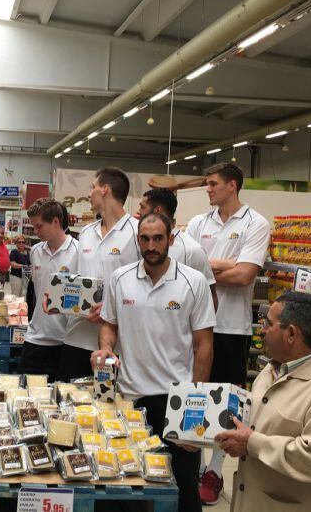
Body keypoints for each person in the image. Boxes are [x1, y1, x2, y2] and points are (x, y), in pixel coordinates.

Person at [92, 213, 215, 512]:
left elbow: (204, 345)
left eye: (158, 238)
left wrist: (195, 405)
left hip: (176, 401)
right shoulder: (120, 279)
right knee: (129, 484)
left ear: (171, 239)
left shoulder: (193, 281)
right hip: (130, 399)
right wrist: (106, 347)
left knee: (183, 487)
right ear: (138, 241)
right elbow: (108, 324)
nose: (151, 245)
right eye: (145, 239)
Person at [216, 292, 311, 512]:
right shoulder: (270, 371)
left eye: (268, 324)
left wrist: (252, 443)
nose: (263, 330)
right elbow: (253, 428)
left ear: (291, 334)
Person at [185, 162, 271, 505]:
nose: (207, 189)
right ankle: (195, 462)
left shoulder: (256, 223)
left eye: (212, 184)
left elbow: (245, 276)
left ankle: (216, 469)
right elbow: (187, 270)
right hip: (195, 324)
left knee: (226, 404)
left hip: (232, 327)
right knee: (195, 396)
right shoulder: (196, 223)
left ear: (232, 186)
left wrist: (207, 264)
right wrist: (224, 264)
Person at [60, 168, 140, 381]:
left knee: (108, 409)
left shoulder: (137, 232)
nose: (89, 193)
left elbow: (144, 285)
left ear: (105, 189)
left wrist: (111, 309)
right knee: (72, 405)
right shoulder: (86, 233)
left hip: (116, 345)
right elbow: (76, 280)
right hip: (76, 337)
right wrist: (58, 301)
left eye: (92, 187)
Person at [19, 199, 77, 382]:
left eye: (39, 226)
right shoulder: (35, 251)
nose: (35, 232)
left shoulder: (78, 251)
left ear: (56, 222)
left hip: (65, 341)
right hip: (35, 338)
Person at [138, 188, 218, 309]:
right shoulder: (139, 242)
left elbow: (210, 299)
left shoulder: (192, 250)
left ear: (157, 210)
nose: (139, 212)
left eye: (142, 207)